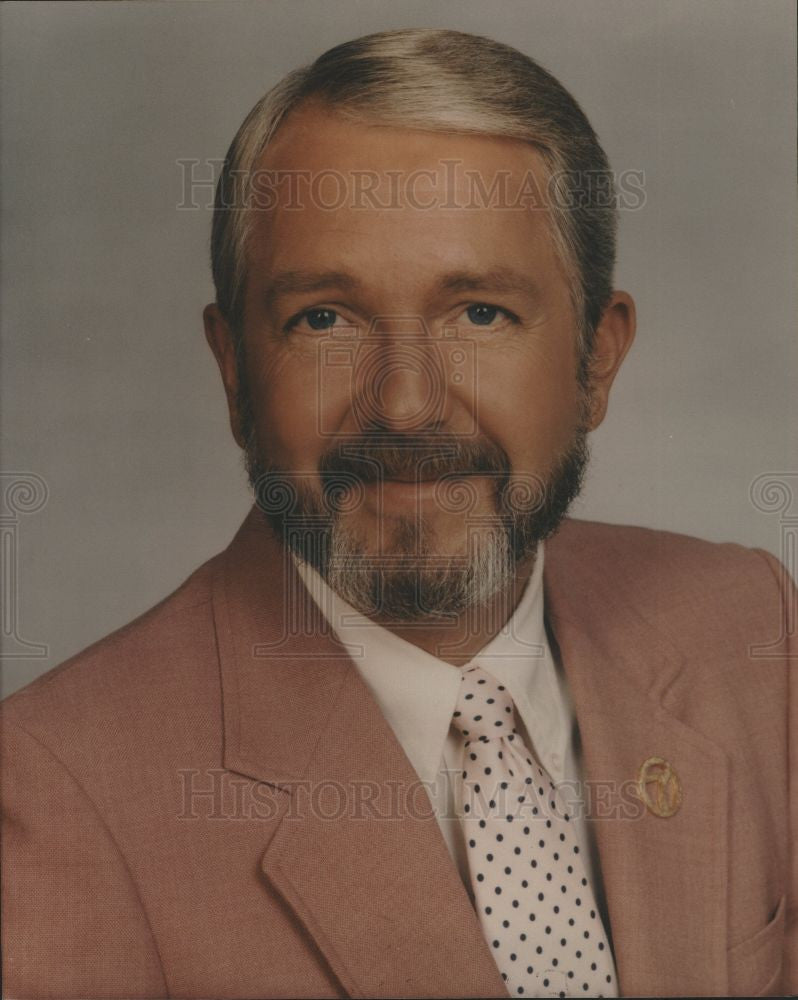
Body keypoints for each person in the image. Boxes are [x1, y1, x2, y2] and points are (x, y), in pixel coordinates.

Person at [1, 28, 794, 1000]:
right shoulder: (53, 796)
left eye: (481, 314)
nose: (407, 405)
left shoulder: (749, 625)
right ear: (234, 373)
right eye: (325, 319)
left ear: (597, 360)